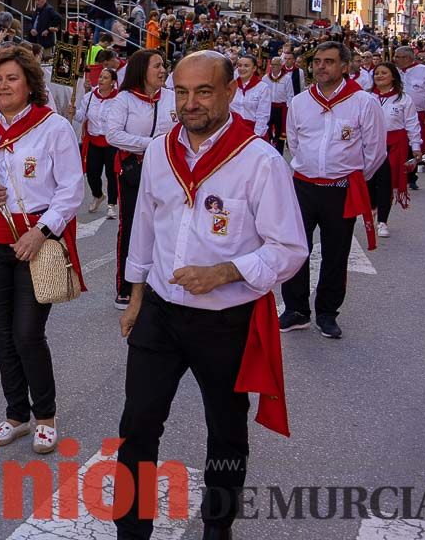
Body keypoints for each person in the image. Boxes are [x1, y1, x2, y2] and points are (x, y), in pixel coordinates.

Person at [115, 50, 308, 540]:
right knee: (138, 424)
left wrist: (225, 271)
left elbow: (290, 248)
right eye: (181, 92)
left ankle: (217, 527)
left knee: (225, 430)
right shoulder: (160, 150)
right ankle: (131, 531)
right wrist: (136, 294)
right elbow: (144, 224)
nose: (190, 103)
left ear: (229, 92)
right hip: (160, 310)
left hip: (226, 319)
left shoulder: (260, 160)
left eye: (203, 91)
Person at [0, 46, 84, 453]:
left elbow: (71, 190)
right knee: (2, 332)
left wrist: (42, 232)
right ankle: (16, 414)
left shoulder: (53, 127)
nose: (3, 85)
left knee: (28, 333)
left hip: (36, 240)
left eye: (12, 78)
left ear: (30, 84)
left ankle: (45, 414)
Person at [281, 41, 385, 340]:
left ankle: (327, 313)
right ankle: (296, 309)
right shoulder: (300, 102)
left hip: (341, 188)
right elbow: (295, 143)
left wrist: (347, 176)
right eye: (317, 62)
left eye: (328, 61)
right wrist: (311, 168)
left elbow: (375, 151)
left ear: (344, 66)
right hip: (303, 186)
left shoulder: (363, 102)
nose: (321, 66)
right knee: (296, 248)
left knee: (336, 254)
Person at [106, 49, 176, 309]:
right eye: (157, 66)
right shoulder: (124, 99)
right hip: (133, 171)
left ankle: (159, 282)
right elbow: (112, 134)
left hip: (168, 171)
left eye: (163, 65)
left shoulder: (171, 97)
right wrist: (150, 144)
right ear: (141, 70)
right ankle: (126, 286)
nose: (162, 70)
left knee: (166, 225)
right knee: (132, 226)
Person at [367, 62, 421, 238]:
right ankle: (373, 206)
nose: (380, 76)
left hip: (394, 145)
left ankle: (383, 221)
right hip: (371, 145)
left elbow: (412, 123)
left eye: (384, 73)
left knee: (386, 183)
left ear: (393, 77)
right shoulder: (366, 97)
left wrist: (416, 146)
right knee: (369, 182)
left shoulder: (404, 99)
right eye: (377, 73)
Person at [76, 65, 119, 218]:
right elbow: (82, 116)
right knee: (92, 172)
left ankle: (111, 204)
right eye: (100, 77)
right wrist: (73, 112)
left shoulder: (119, 98)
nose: (101, 80)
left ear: (113, 82)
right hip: (94, 141)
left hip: (112, 142)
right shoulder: (89, 98)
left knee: (111, 174)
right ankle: (98, 194)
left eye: (105, 78)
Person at [393, 45, 425, 178]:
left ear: (407, 58)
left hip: (418, 113)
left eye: (397, 57)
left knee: (416, 142)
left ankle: (411, 175)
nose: (395, 59)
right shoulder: (394, 71)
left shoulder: (424, 71)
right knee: (398, 143)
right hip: (397, 113)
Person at [231, 53, 271, 138]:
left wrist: (256, 136)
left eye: (246, 66)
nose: (242, 68)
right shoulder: (231, 86)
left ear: (254, 68)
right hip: (233, 131)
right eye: (240, 65)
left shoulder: (263, 87)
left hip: (254, 131)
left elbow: (263, 115)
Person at [265, 56, 293, 153]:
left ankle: (279, 152)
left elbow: (290, 95)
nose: (273, 67)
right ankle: (267, 149)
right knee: (266, 128)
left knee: (280, 131)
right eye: (272, 64)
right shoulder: (266, 78)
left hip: (281, 108)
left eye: (276, 65)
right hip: (268, 107)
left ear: (281, 66)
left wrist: (289, 110)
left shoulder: (287, 78)